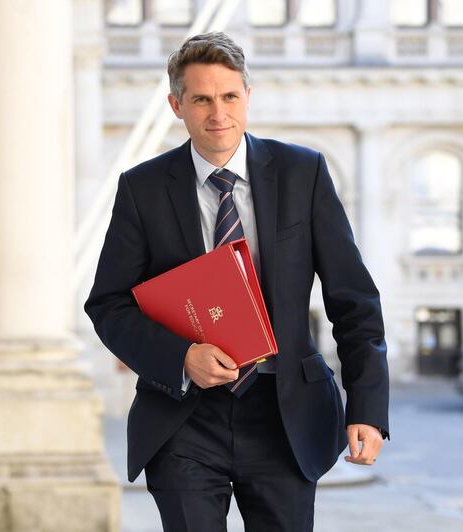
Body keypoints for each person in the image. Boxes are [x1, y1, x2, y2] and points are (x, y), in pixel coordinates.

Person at [85, 31, 389, 531]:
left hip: (284, 414)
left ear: (248, 96)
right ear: (176, 105)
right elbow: (109, 304)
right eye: (201, 99)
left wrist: (368, 408)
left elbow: (353, 299)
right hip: (184, 418)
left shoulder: (302, 173)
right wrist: (180, 357)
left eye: (229, 96)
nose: (218, 113)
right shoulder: (141, 188)